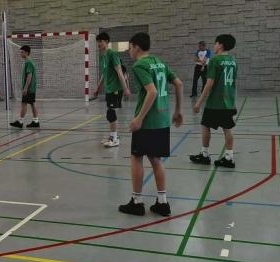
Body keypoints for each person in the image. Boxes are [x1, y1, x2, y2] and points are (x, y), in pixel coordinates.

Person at [119, 32, 183, 217]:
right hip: (163, 120)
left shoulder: (140, 65)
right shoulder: (159, 62)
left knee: (136, 157)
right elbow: (178, 84)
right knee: (156, 159)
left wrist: (139, 118)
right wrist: (178, 111)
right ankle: (162, 202)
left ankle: (137, 202)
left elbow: (152, 92)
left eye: (130, 47)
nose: (129, 51)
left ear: (137, 47)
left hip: (148, 121)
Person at [190, 35, 238, 168]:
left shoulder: (215, 60)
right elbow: (233, 82)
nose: (214, 46)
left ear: (220, 45)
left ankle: (204, 155)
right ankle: (229, 157)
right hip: (228, 101)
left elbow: (209, 83)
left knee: (205, 125)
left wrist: (199, 102)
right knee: (227, 128)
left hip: (215, 102)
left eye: (215, 43)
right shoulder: (233, 61)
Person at [93, 32, 132, 147]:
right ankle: (112, 136)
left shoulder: (112, 54)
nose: (99, 44)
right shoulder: (103, 56)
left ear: (106, 42)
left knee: (111, 113)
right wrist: (98, 88)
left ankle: (114, 138)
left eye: (101, 41)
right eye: (98, 42)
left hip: (116, 88)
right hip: (109, 88)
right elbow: (104, 74)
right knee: (110, 113)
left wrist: (126, 89)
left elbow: (119, 72)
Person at [10, 45, 40, 128]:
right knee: (32, 104)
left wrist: (25, 88)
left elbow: (29, 76)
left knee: (24, 104)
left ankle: (20, 122)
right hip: (31, 88)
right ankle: (36, 121)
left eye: (22, 52)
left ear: (26, 52)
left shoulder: (28, 62)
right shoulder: (28, 61)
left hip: (29, 89)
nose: (20, 53)